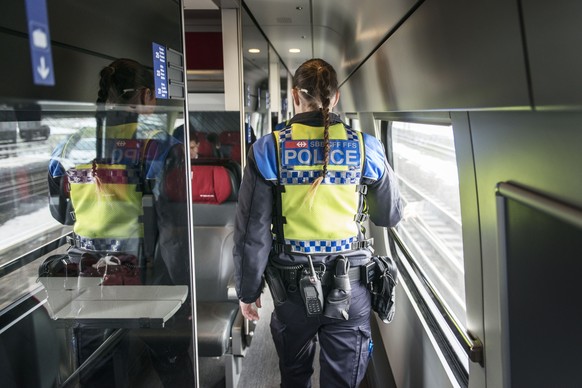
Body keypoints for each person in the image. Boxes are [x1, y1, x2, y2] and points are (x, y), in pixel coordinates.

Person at [233, 58, 403, 388]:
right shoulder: (367, 148)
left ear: (296, 95)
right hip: (351, 289)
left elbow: (252, 233)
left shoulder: (269, 149)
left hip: (291, 290)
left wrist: (248, 290)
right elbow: (388, 215)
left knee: (294, 377)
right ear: (335, 97)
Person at [48, 58, 193, 387]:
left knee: (98, 372)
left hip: (88, 277)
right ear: (145, 96)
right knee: (172, 366)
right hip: (147, 275)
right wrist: (185, 286)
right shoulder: (160, 147)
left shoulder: (67, 146)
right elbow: (173, 229)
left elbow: (60, 214)